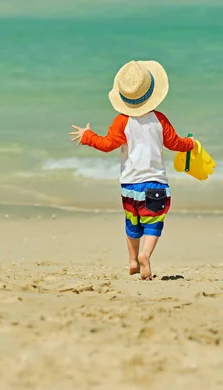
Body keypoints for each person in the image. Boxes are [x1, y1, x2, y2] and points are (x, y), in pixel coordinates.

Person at [69, 60, 196, 280]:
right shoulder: (160, 119)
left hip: (129, 185)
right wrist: (191, 144)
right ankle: (146, 255)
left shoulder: (122, 121)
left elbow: (107, 144)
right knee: (154, 223)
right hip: (155, 183)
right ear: (151, 93)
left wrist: (88, 137)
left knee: (132, 223)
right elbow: (174, 143)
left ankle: (132, 261)